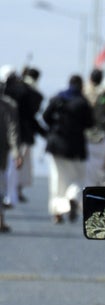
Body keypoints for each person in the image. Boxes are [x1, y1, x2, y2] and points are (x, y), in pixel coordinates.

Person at [42, 74, 94, 224]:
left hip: (56, 145)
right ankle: (72, 198)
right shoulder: (83, 102)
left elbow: (46, 117)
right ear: (81, 85)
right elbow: (90, 123)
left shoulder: (58, 98)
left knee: (57, 179)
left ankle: (58, 212)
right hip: (76, 147)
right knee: (78, 178)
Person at [2, 66, 45, 206]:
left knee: (12, 170)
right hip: (18, 136)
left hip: (15, 137)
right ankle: (11, 195)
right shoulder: (20, 94)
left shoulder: (12, 97)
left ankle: (11, 195)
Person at [0, 68, 22, 232]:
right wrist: (16, 153)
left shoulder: (9, 106)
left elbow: (12, 130)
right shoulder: (9, 105)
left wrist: (15, 153)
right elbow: (12, 131)